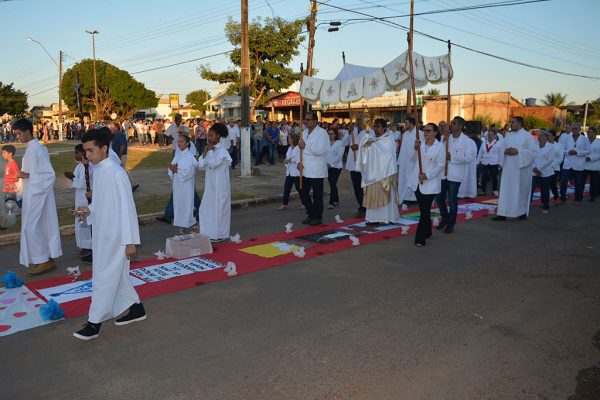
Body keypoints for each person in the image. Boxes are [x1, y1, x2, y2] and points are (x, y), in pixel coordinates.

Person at [73, 127, 146, 340]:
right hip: (102, 233)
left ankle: (94, 323)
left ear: (104, 148)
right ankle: (136, 308)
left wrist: (130, 241)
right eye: (85, 151)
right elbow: (102, 203)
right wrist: (88, 210)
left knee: (103, 277)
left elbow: (127, 208)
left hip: (116, 236)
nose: (87, 155)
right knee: (117, 275)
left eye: (91, 150)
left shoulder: (116, 172)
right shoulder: (99, 171)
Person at [12, 119, 62, 275]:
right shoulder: (30, 149)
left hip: (38, 195)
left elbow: (49, 175)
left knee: (30, 227)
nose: (17, 137)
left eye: (19, 134)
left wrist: (27, 175)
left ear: (27, 131)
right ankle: (46, 257)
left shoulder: (38, 149)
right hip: (32, 193)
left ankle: (43, 260)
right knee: (38, 226)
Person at [435, 116, 476, 233]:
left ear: (461, 126)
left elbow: (469, 158)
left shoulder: (468, 142)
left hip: (455, 175)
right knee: (439, 198)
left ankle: (451, 224)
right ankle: (445, 219)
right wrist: (443, 142)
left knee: (452, 201)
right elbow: (438, 151)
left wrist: (452, 158)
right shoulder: (446, 138)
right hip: (443, 174)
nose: (451, 125)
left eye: (454, 123)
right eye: (451, 123)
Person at [492, 116, 537, 221]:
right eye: (511, 122)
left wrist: (518, 152)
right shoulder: (509, 135)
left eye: (513, 122)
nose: (511, 124)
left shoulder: (527, 136)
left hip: (521, 169)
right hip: (509, 168)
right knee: (506, 190)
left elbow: (533, 152)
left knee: (520, 191)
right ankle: (502, 213)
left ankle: (521, 212)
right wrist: (506, 151)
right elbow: (502, 148)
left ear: (520, 123)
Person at [408, 123, 445, 247]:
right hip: (417, 182)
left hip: (430, 184)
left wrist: (427, 175)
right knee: (424, 210)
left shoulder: (440, 147)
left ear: (435, 132)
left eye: (428, 130)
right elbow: (411, 157)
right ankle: (428, 230)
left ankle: (420, 237)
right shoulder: (420, 144)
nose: (425, 133)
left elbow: (440, 165)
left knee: (424, 211)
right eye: (424, 130)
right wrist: (415, 148)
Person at [357, 119, 399, 224]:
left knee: (385, 196)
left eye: (378, 126)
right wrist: (364, 144)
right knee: (372, 196)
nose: (376, 129)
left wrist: (371, 145)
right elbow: (365, 151)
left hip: (385, 173)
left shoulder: (389, 139)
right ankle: (373, 219)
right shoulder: (373, 139)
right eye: (374, 126)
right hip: (372, 173)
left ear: (384, 128)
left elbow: (387, 155)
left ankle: (387, 218)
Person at [197, 123, 232, 241]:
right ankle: (209, 233)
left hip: (220, 187)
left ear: (218, 136)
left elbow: (213, 164)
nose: (209, 138)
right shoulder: (210, 150)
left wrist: (210, 151)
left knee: (219, 210)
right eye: (208, 135)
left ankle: (220, 235)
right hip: (211, 185)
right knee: (206, 209)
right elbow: (201, 166)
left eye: (211, 135)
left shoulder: (222, 151)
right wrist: (205, 153)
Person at [299, 112, 329, 226]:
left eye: (308, 119)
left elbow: (320, 150)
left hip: (317, 169)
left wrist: (306, 146)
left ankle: (318, 216)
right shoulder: (304, 132)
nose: (305, 121)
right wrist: (299, 161)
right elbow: (300, 149)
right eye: (305, 119)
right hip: (305, 168)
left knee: (317, 195)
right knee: (303, 192)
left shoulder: (322, 133)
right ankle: (311, 213)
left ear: (315, 121)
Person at [63, 145, 93, 260]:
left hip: (86, 200)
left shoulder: (89, 167)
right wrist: (72, 178)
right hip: (80, 199)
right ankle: (84, 246)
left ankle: (89, 248)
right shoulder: (80, 166)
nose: (75, 155)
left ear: (83, 154)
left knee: (85, 223)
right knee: (81, 223)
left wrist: (72, 178)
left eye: (77, 153)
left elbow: (86, 184)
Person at [169, 135, 198, 231]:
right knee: (179, 203)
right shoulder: (177, 155)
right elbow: (172, 167)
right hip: (177, 184)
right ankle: (184, 223)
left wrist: (177, 171)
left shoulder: (190, 157)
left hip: (186, 185)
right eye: (179, 141)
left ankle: (187, 224)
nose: (179, 143)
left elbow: (189, 172)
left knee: (186, 204)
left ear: (187, 143)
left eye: (182, 141)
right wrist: (172, 170)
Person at [558, 123, 590, 205]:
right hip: (567, 164)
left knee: (578, 183)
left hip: (579, 164)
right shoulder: (567, 138)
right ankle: (562, 198)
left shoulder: (584, 139)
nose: (574, 130)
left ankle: (578, 199)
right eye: (573, 129)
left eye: (576, 128)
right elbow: (561, 149)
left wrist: (577, 152)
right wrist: (568, 152)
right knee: (564, 181)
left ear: (580, 129)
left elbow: (588, 151)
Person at [396, 117, 425, 207]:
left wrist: (415, 150)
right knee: (404, 179)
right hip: (404, 161)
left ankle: (413, 198)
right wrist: (400, 160)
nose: (405, 125)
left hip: (414, 161)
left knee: (412, 179)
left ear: (412, 124)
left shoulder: (419, 134)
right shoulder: (405, 134)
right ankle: (405, 197)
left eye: (407, 123)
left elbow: (421, 147)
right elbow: (403, 149)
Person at [109, 122, 139, 192]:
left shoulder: (120, 134)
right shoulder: (114, 135)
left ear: (116, 128)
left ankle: (133, 184)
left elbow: (122, 146)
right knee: (120, 169)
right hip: (117, 155)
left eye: (112, 127)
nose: (110, 128)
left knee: (121, 170)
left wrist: (119, 156)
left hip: (121, 155)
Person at [530, 131, 554, 214]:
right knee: (531, 188)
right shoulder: (534, 146)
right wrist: (534, 168)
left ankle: (545, 206)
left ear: (546, 137)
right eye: (539, 136)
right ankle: (527, 205)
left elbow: (550, 159)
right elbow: (531, 157)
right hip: (534, 171)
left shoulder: (551, 146)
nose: (539, 137)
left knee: (544, 190)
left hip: (546, 172)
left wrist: (539, 168)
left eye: (541, 136)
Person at [279, 133, 301, 210]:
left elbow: (298, 160)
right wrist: (286, 160)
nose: (288, 140)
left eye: (289, 138)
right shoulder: (289, 148)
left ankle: (304, 203)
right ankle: (285, 204)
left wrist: (290, 160)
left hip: (296, 173)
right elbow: (287, 158)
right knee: (286, 188)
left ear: (293, 139)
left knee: (299, 189)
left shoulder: (298, 149)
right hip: (289, 172)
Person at [477, 130, 503, 196]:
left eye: (491, 135)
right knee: (484, 176)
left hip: (494, 163)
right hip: (485, 162)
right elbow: (480, 153)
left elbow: (501, 154)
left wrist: (500, 163)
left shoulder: (498, 143)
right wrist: (477, 162)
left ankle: (495, 190)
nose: (490, 136)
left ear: (495, 136)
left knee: (494, 177)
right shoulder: (484, 143)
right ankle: (483, 191)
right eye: (489, 135)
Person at [326, 127, 344, 209]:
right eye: (329, 134)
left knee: (333, 183)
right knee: (332, 184)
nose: (330, 135)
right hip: (328, 167)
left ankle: (331, 202)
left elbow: (339, 156)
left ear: (335, 134)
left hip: (336, 167)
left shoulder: (339, 143)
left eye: (331, 134)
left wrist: (331, 164)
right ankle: (336, 200)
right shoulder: (327, 143)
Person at [584, 127, 600, 201]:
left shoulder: (599, 142)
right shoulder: (585, 141)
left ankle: (593, 196)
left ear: (595, 133)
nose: (588, 133)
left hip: (595, 165)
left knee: (594, 182)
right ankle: (579, 195)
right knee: (581, 181)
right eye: (587, 132)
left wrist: (590, 158)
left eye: (590, 132)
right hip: (585, 165)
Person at [548, 130, 562, 202]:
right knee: (545, 185)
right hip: (545, 168)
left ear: (554, 137)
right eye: (547, 136)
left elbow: (560, 158)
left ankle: (556, 198)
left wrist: (552, 166)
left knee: (552, 183)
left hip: (555, 168)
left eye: (550, 135)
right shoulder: (545, 145)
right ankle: (545, 201)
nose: (548, 137)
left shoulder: (559, 146)